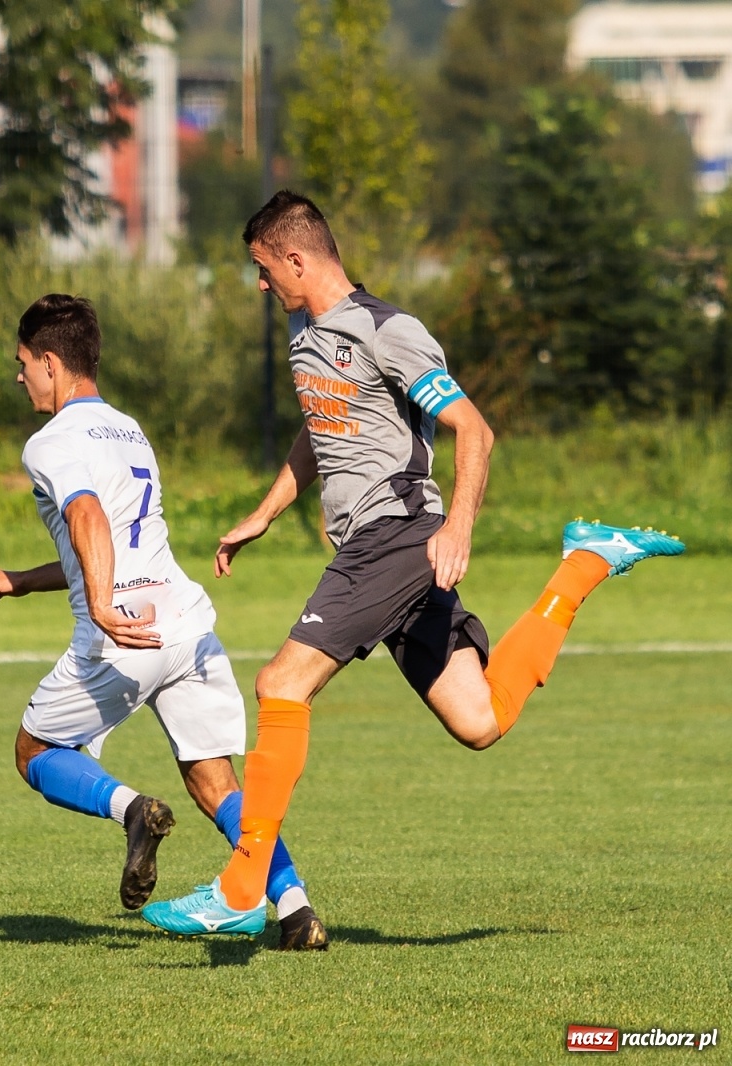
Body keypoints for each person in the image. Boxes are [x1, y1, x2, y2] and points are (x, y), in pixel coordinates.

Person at [140, 192, 684, 939]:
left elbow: (474, 429)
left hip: (396, 536)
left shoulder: (388, 331)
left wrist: (457, 526)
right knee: (480, 718)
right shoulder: (305, 333)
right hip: (384, 546)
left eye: (264, 269)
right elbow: (321, 432)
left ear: (296, 258)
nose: (261, 285)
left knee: (280, 684)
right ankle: (586, 561)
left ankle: (241, 888)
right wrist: (264, 514)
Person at [0, 293, 328, 950]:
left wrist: (103, 607)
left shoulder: (50, 442)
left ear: (50, 362)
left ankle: (132, 811)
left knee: (35, 751)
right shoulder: (128, 428)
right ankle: (296, 908)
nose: (19, 377)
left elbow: (88, 520)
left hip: (124, 633)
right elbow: (107, 539)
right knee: (215, 781)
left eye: (22, 363)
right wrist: (21, 581)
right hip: (186, 625)